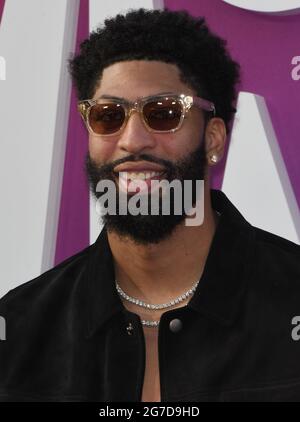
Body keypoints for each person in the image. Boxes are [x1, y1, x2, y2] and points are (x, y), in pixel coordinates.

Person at [1, 7, 300, 403]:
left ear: (212, 139)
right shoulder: (20, 329)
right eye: (109, 116)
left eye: (163, 113)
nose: (133, 140)